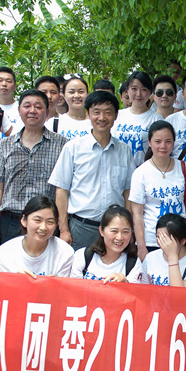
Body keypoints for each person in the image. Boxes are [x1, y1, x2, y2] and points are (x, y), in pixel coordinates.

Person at [49, 90, 134, 251]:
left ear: (116, 115)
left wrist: (130, 228)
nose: (102, 118)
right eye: (96, 112)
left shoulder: (124, 150)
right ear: (87, 114)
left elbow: (128, 192)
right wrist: (64, 229)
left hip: (115, 230)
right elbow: (61, 190)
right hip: (82, 228)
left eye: (108, 112)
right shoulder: (73, 148)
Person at [0, 90, 68, 243]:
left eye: (38, 107)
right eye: (27, 106)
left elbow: (62, 188)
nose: (32, 111)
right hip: (11, 221)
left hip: (46, 223)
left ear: (47, 111)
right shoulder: (5, 145)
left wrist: (63, 229)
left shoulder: (62, 144)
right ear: (19, 110)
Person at [129, 120, 186, 260]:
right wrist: (141, 247)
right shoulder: (141, 173)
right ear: (149, 142)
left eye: (168, 141)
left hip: (179, 239)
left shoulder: (184, 168)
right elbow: (137, 213)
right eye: (158, 141)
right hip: (152, 241)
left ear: (174, 142)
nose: (163, 146)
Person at [0, 196, 73, 277]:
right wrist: (16, 280)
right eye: (37, 220)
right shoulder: (5, 252)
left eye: (50, 222)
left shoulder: (65, 252)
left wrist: (54, 283)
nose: (43, 227)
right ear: (24, 220)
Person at [70, 205, 143, 283]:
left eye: (125, 232)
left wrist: (125, 282)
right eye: (114, 231)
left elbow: (135, 290)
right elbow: (73, 287)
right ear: (101, 231)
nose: (119, 237)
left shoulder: (133, 263)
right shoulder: (82, 256)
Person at [140, 213, 186, 287]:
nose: (162, 243)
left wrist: (172, 257)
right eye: (159, 237)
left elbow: (180, 293)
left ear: (183, 241)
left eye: (167, 239)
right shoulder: (150, 258)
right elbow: (144, 289)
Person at [112, 71, 162, 166]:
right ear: (127, 90)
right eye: (134, 89)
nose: (138, 94)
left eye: (144, 89)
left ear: (150, 92)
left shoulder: (156, 119)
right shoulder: (118, 115)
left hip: (143, 170)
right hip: (118, 169)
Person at [54, 75, 91, 139]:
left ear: (87, 94)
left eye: (81, 92)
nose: (77, 96)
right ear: (64, 95)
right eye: (71, 92)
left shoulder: (95, 122)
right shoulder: (54, 123)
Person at [0, 66, 21, 132]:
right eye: (0, 80)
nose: (4, 84)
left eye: (8, 81)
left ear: (15, 86)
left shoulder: (23, 108)